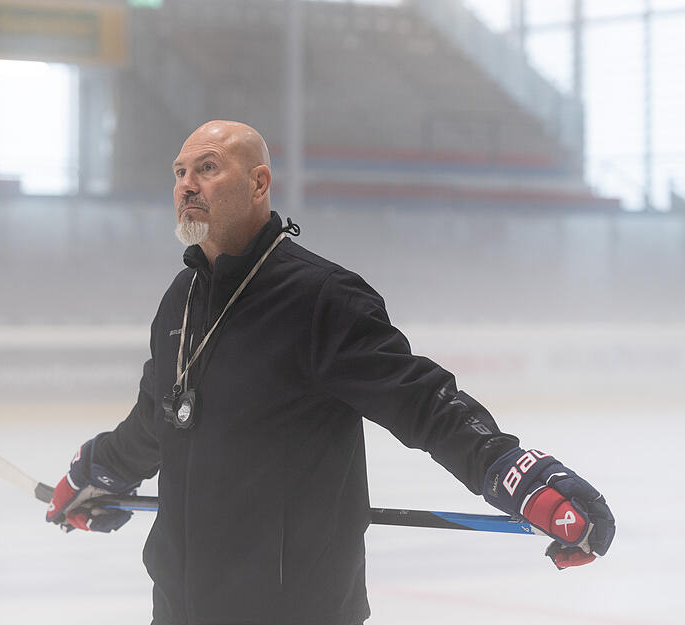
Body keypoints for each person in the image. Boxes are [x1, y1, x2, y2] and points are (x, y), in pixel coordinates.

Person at [45, 121, 615, 625]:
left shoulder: (320, 297)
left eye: (208, 168)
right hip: (179, 606)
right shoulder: (182, 299)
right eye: (180, 172)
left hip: (293, 609)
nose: (187, 185)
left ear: (259, 184)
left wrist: (511, 470)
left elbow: (421, 401)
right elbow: (158, 420)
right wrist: (100, 470)